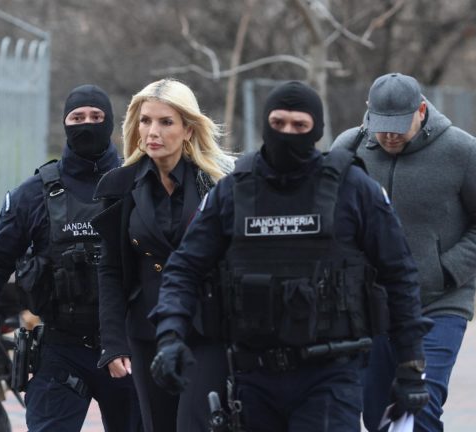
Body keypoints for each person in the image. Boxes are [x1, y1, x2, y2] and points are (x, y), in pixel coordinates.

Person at [147, 80, 433, 432]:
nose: (287, 133)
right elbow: (184, 268)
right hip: (253, 377)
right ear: (265, 123)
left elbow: (399, 274)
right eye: (278, 123)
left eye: (300, 125)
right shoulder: (234, 191)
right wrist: (171, 336)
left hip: (330, 376)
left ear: (317, 130)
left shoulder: (353, 189)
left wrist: (411, 364)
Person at [331, 72, 476, 431]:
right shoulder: (348, 149)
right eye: (382, 126)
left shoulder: (461, 150)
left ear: (420, 110)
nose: (389, 135)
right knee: (378, 416)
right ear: (368, 110)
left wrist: (444, 270)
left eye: (399, 126)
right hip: (371, 308)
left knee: (418, 409)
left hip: (437, 305)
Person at [0, 84, 142, 432]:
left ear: (110, 122)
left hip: (127, 347)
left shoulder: (139, 183)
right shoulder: (33, 194)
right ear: (65, 123)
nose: (87, 124)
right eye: (77, 117)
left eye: (96, 116)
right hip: (62, 348)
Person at [91, 78, 234, 432]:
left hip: (205, 329)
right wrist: (113, 343)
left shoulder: (218, 186)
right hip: (146, 329)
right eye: (145, 120)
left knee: (194, 423)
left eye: (166, 122)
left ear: (188, 130)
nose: (152, 131)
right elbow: (110, 269)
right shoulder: (119, 186)